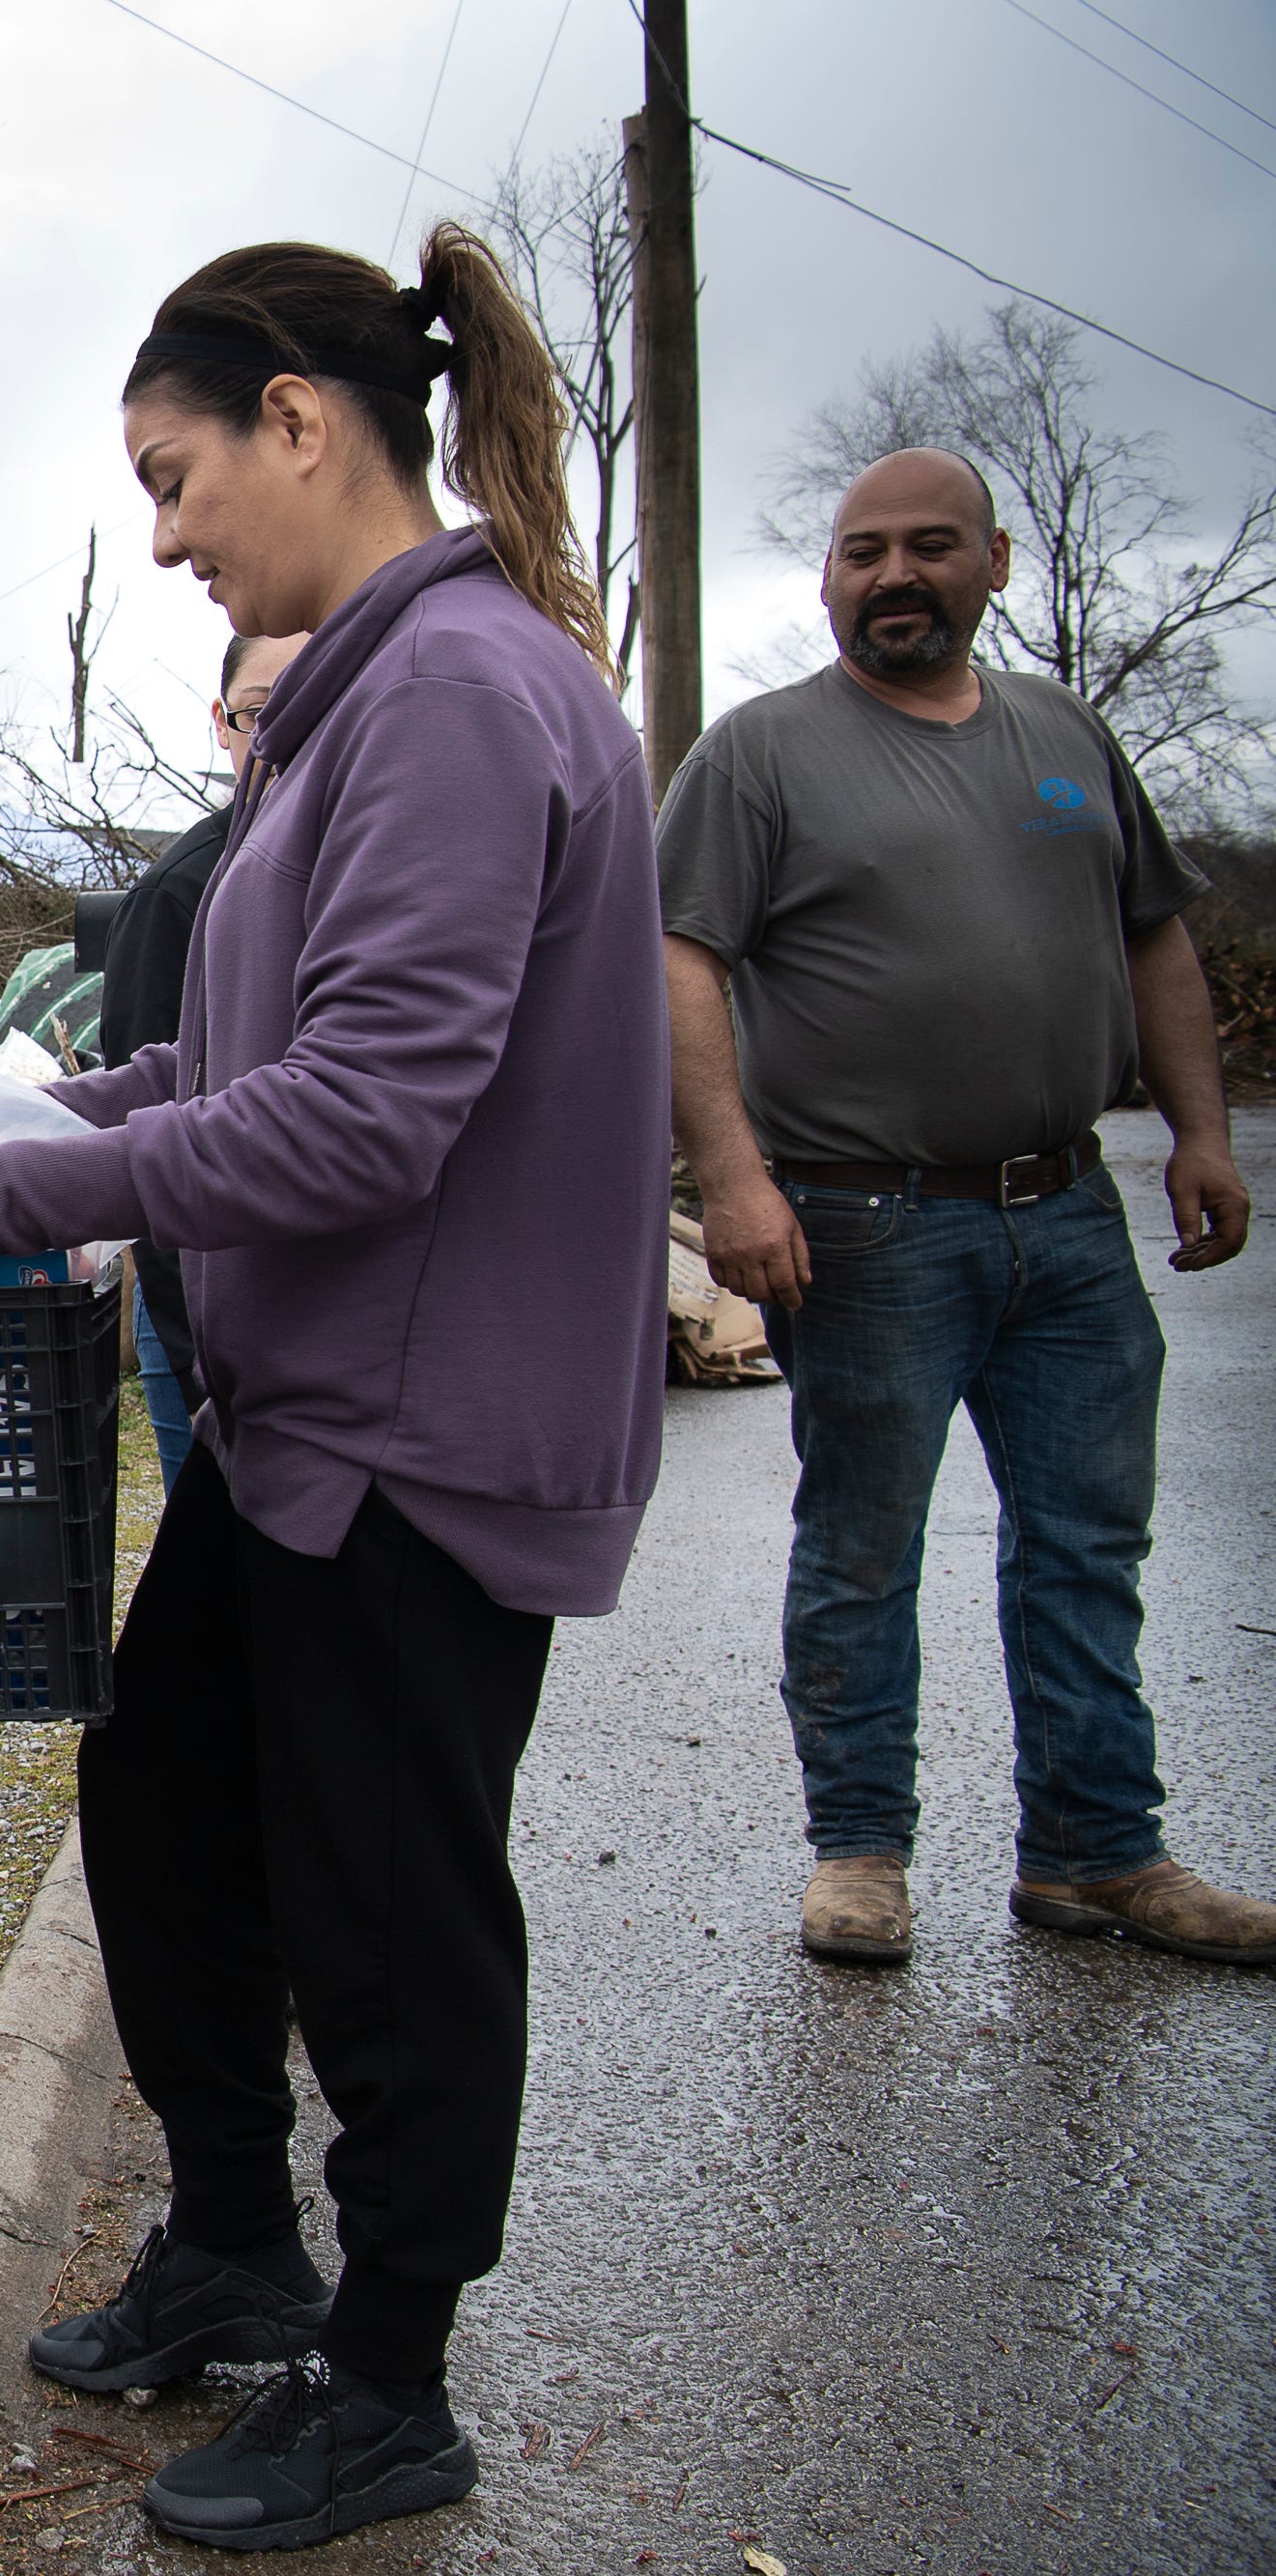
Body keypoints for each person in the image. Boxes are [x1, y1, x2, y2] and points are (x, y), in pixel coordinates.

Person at [0, 224, 666, 2550]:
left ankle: (388, 2377)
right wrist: (40, 1121)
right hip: (304, 1421)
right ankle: (230, 2233)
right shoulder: (362, 707)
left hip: (422, 1429)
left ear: (297, 421)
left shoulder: (459, 698)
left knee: (389, 1906)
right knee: (170, 1803)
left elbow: (376, 1116)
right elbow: (261, 1055)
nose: (168, 528)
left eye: (174, 472)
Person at [659, 445, 1267, 1971]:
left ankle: (1094, 1852)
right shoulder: (763, 754)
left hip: (1066, 1210)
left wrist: (1202, 1131)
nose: (893, 576)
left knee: (1084, 1540)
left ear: (995, 560)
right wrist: (733, 1177)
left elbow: (1157, 940)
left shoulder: (1066, 736)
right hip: (866, 1224)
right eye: (862, 552)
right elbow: (677, 965)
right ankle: (860, 1849)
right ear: (827, 578)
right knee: (861, 1548)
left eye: (929, 547)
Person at [101, 627, 302, 1487]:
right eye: (262, 712)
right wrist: (198, 1357)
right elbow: (156, 1123)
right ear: (223, 724)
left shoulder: (358, 863)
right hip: (202, 1309)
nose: (287, 735)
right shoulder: (182, 889)